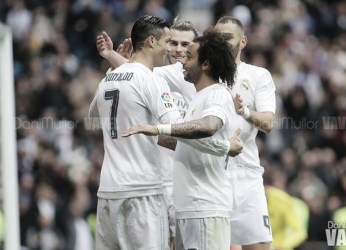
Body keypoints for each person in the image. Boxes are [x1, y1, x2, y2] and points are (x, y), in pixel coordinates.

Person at [90, 15, 242, 250]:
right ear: (152, 41)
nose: (176, 55)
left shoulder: (108, 79)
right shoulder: (153, 80)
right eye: (168, 42)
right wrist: (225, 147)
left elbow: (93, 117)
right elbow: (179, 131)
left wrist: (112, 64)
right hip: (143, 191)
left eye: (187, 52)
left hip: (108, 192)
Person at [215, 16, 276, 250]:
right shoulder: (202, 75)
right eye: (219, 36)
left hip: (247, 176)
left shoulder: (258, 75)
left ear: (243, 42)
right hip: (213, 175)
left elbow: (268, 123)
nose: (223, 41)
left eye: (228, 37)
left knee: (259, 246)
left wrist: (245, 112)